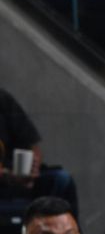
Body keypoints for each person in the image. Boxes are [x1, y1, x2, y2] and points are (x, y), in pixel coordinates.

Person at [0, 88, 78, 219]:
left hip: (16, 179)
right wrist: (7, 176)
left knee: (61, 179)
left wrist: (33, 168)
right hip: (6, 180)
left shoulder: (2, 99)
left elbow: (32, 144)